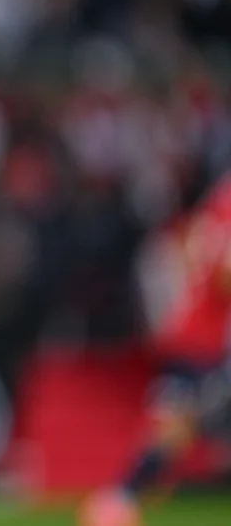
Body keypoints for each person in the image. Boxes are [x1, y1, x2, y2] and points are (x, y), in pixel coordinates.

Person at [80, 172, 231, 526]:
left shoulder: (219, 199)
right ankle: (121, 497)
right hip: (200, 341)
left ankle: (122, 497)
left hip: (197, 336)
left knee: (177, 423)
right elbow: (224, 273)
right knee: (175, 424)